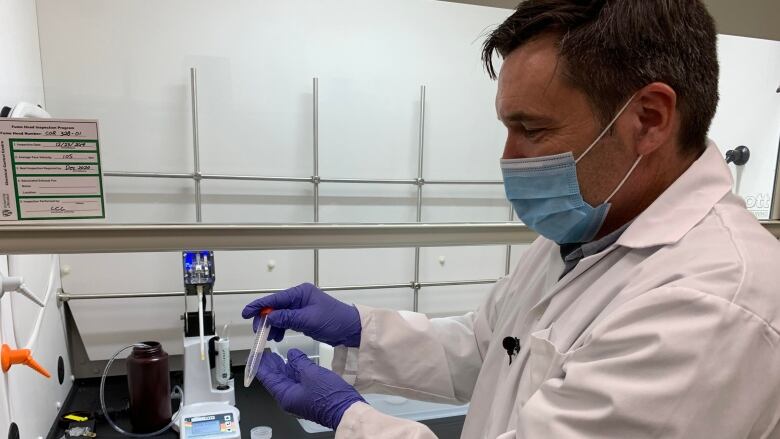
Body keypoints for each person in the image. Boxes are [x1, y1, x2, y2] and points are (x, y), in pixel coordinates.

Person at [243, 1, 780, 437]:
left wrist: (350, 419)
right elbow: (489, 348)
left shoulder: (714, 304)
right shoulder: (586, 231)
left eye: (533, 129)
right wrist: (359, 330)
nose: (508, 157)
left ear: (650, 119)